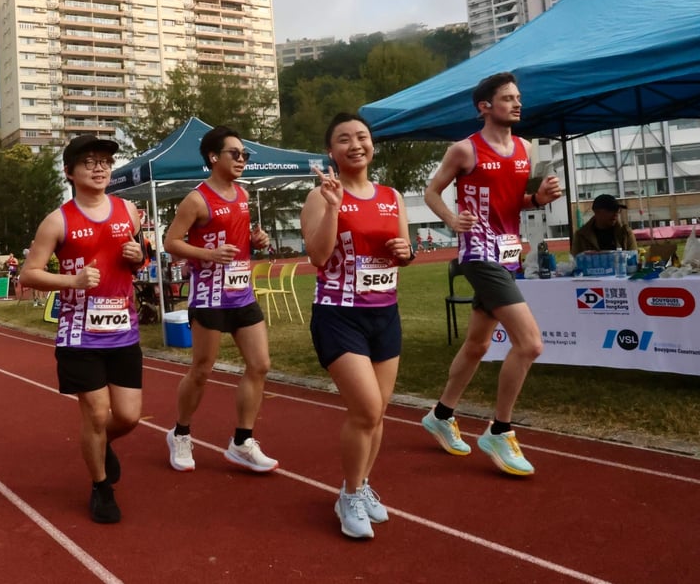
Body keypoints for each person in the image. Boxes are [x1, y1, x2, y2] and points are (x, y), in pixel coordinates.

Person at [420, 72, 562, 476]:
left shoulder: (525, 148)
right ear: (485, 107)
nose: (517, 104)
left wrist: (537, 199)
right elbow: (432, 191)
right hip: (479, 254)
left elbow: (511, 200)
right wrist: (451, 219)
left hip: (508, 253)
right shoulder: (464, 150)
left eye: (518, 97)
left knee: (477, 345)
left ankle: (441, 415)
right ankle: (500, 430)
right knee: (530, 344)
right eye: (507, 98)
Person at [19, 134, 146, 525]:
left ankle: (101, 445)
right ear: (69, 172)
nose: (100, 168)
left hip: (123, 331)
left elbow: (138, 259)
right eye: (89, 162)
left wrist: (139, 257)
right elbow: (29, 274)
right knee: (95, 414)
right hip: (79, 335)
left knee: (128, 417)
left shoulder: (129, 211)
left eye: (105, 161)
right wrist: (71, 281)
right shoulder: (57, 220)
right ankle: (101, 487)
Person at [300, 113, 413, 540]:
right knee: (365, 408)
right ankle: (348, 495)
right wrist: (333, 207)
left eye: (362, 137)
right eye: (344, 139)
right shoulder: (320, 196)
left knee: (378, 412)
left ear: (372, 145)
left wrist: (406, 252)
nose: (355, 145)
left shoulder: (391, 196)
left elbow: (404, 251)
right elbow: (317, 255)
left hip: (385, 313)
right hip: (338, 314)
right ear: (330, 151)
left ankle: (362, 484)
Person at [162, 125, 278, 475]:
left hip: (241, 292)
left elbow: (239, 238)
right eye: (235, 153)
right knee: (202, 369)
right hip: (209, 296)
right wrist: (208, 254)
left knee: (260, 365)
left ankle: (243, 441)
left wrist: (257, 240)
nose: (242, 159)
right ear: (214, 157)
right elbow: (171, 242)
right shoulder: (196, 200)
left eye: (245, 154)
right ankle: (180, 433)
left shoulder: (242, 194)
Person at [570, 194, 638, 255]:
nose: (615, 213)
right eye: (610, 210)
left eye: (617, 210)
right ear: (596, 211)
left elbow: (633, 259)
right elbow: (575, 261)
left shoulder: (625, 233)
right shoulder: (581, 236)